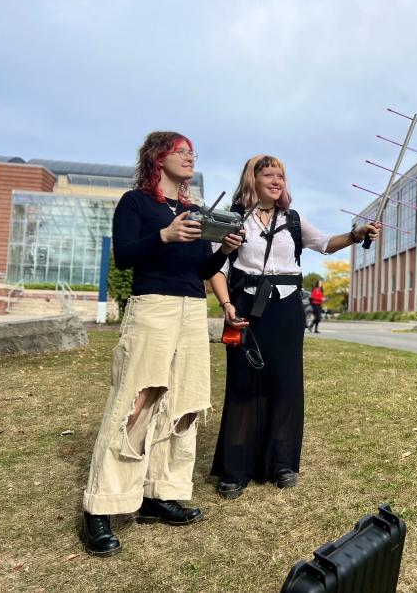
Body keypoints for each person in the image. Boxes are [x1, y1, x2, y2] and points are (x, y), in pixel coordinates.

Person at [79, 131, 244, 557]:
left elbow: (202, 268)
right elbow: (125, 255)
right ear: (158, 157)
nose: (190, 157)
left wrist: (223, 250)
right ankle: (101, 505)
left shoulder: (191, 209)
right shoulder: (136, 202)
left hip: (191, 309)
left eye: (193, 152)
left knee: (183, 404)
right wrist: (165, 236)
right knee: (137, 399)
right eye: (181, 151)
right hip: (153, 306)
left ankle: (159, 493)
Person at [208, 154, 379, 499]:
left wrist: (355, 233)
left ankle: (282, 464)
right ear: (251, 180)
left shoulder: (294, 220)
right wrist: (226, 305)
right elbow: (217, 267)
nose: (276, 181)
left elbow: (326, 245)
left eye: (281, 176)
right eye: (268, 174)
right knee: (244, 385)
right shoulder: (234, 220)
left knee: (286, 385)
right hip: (246, 309)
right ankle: (234, 469)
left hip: (286, 311)